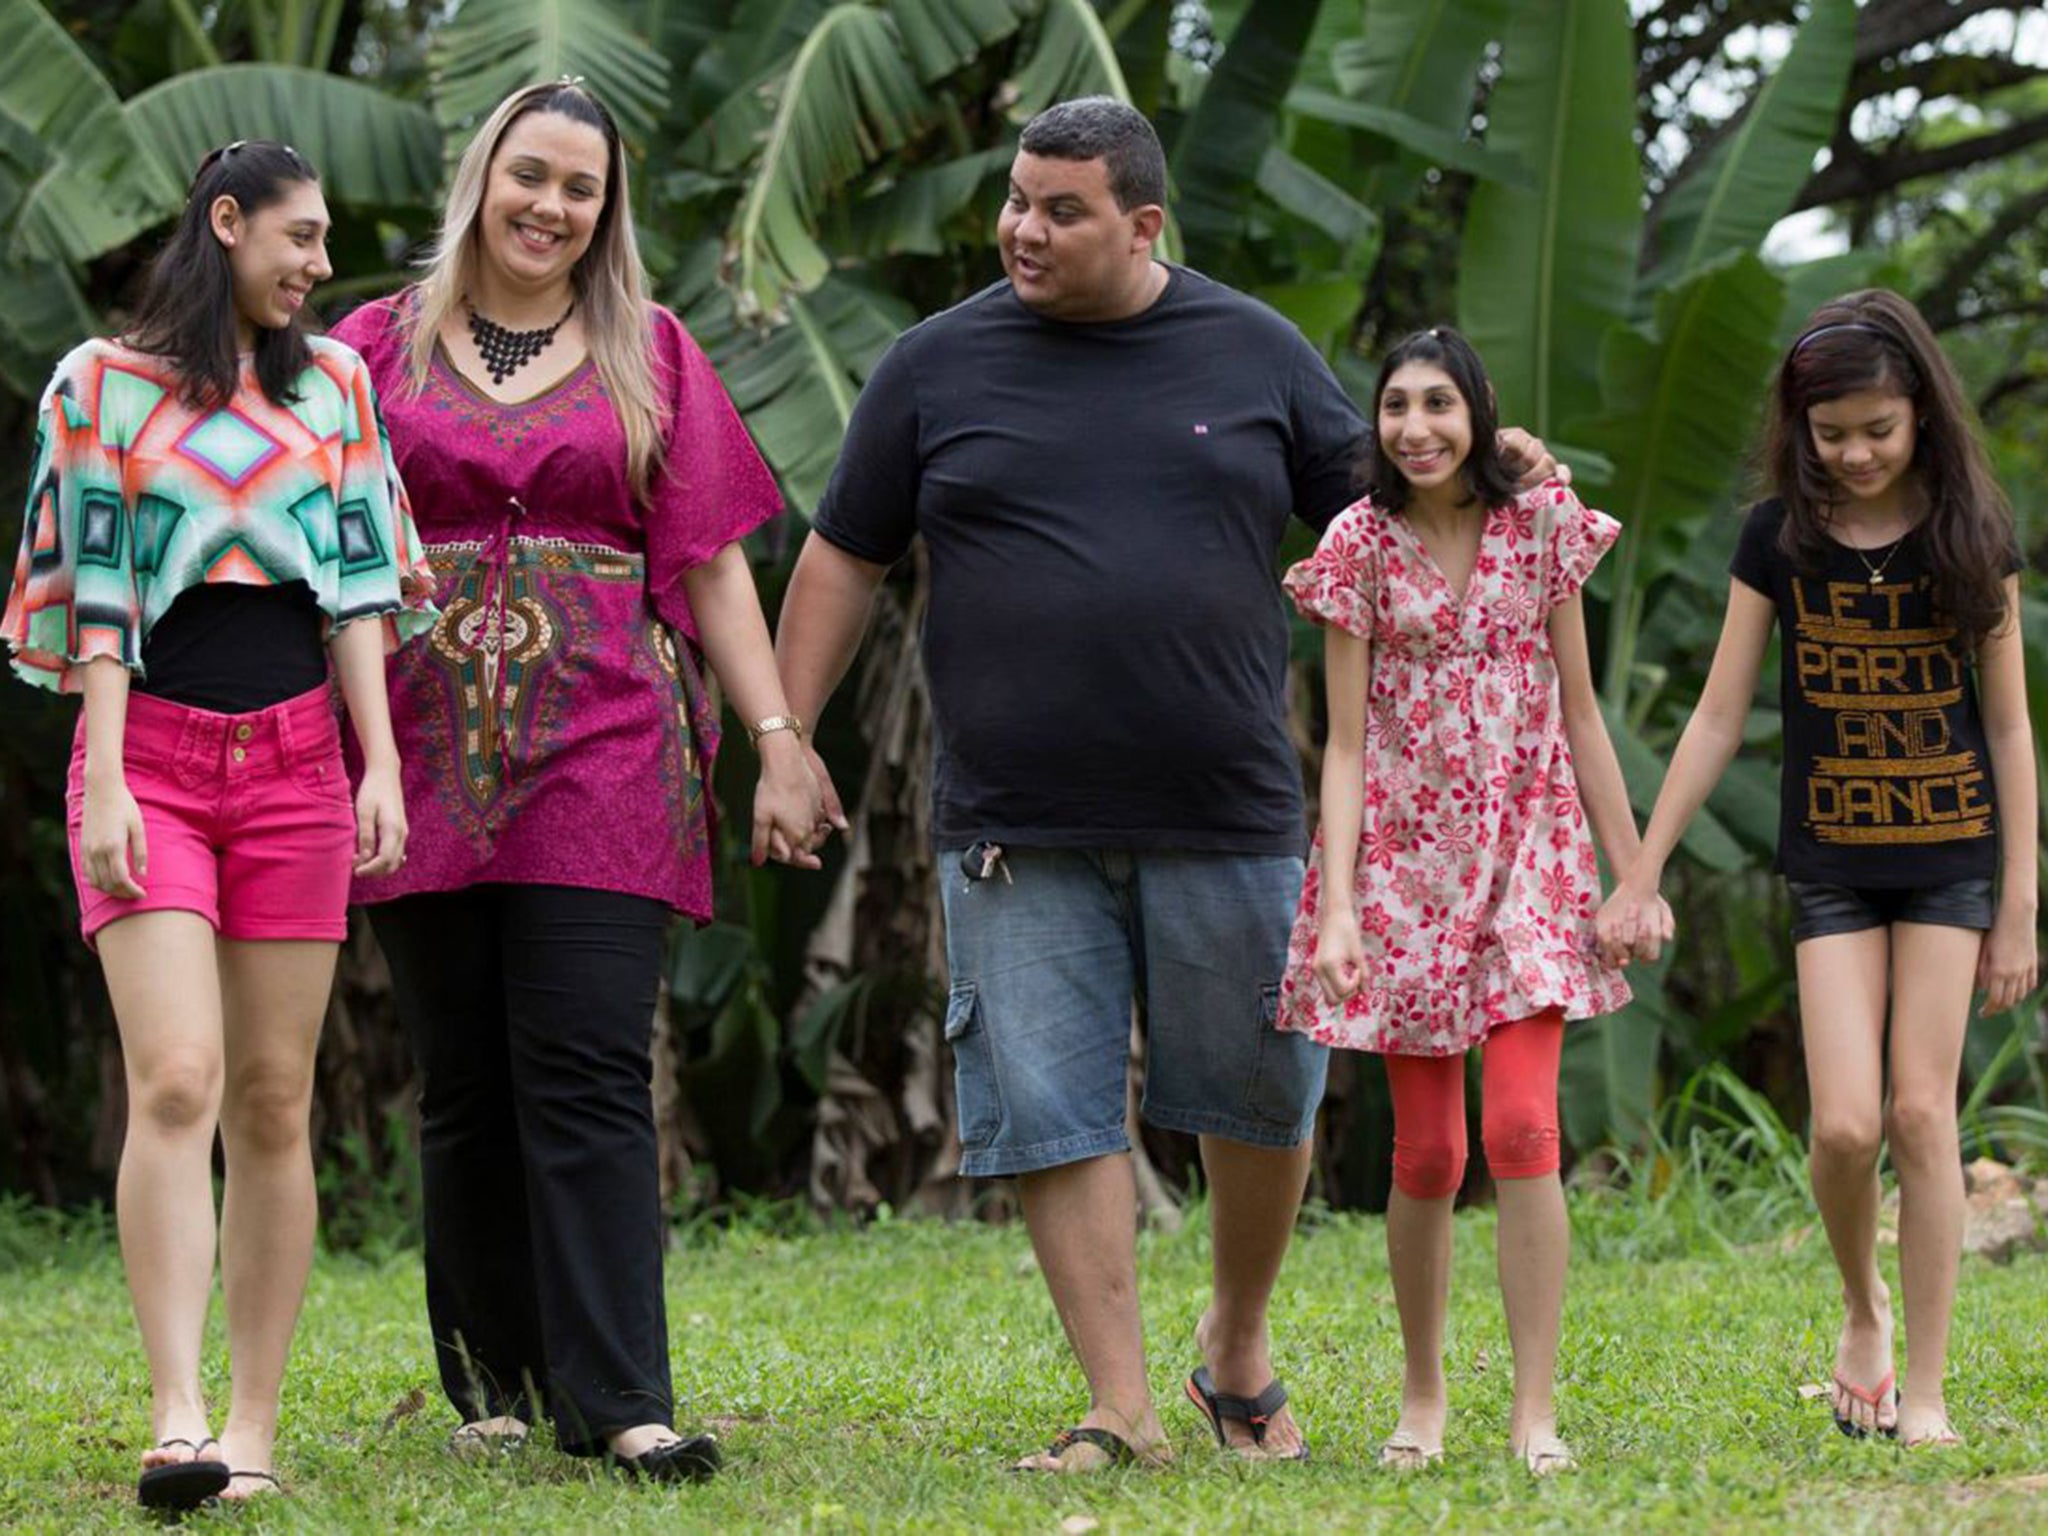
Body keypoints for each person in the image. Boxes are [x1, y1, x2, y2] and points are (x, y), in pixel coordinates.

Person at [774, 98, 1560, 1470]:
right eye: (1017, 199)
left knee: (1263, 1095)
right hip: (1016, 819)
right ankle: (1118, 1405)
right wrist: (786, 738)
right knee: (1048, 1106)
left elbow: (1386, 510)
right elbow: (846, 554)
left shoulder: (1251, 348)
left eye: (1060, 209)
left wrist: (1504, 475)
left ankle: (1236, 1348)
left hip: (1231, 805)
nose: (1022, 227)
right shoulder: (932, 365)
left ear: (1142, 225)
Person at [329, 80, 822, 1481]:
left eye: (582, 190)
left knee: (593, 1064)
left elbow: (714, 560)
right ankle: (489, 1383)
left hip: (605, 739)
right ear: (484, 178)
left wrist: (778, 735)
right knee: (464, 1079)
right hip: (416, 742)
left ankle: (622, 1401)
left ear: (608, 212)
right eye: (528, 176)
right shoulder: (369, 346)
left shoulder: (650, 350)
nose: (551, 207)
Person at [2, 142, 434, 1507]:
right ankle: (176, 1414)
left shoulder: (338, 386)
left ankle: (251, 1427)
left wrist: (378, 765)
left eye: (322, 245)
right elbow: (98, 604)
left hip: (301, 760)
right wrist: (114, 777)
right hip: (156, 764)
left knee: (269, 1097)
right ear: (225, 222)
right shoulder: (101, 387)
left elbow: (361, 585)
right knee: (177, 1078)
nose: (317, 265)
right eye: (297, 239)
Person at [1600, 291, 2037, 1449]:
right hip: (1831, 862)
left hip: (1947, 862)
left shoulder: (1969, 539)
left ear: (1920, 419)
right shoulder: (1775, 540)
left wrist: (2018, 906)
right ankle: (1861, 1309)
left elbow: (2005, 731)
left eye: (1874, 430)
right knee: (1843, 1129)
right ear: (1796, 426)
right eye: (1827, 431)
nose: (1850, 453)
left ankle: (1928, 1393)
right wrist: (1638, 869)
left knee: (1918, 1114)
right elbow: (1711, 717)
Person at [1277, 326, 1649, 1476]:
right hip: (1402, 868)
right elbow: (1341, 748)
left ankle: (1534, 1409)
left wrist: (1631, 875)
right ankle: (1422, 1397)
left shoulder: (1541, 527)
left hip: (1526, 855)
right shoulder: (1356, 546)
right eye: (1395, 406)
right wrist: (1335, 906)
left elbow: (1581, 715)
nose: (1416, 428)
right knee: (1428, 1151)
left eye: (1439, 404)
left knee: (1522, 1128)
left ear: (1478, 414)